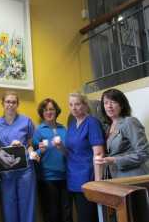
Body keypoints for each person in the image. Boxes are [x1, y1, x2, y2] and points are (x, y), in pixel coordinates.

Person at [0, 91, 38, 222]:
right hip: (6, 170)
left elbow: (30, 145)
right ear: (2, 104)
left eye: (13, 102)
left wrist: (30, 152)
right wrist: (2, 150)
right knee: (8, 206)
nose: (10, 105)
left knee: (27, 205)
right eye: (7, 102)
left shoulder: (26, 121)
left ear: (17, 104)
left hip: (25, 170)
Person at [65, 93, 105, 222]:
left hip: (88, 177)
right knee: (81, 216)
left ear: (85, 105)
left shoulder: (92, 123)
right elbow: (70, 152)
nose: (74, 108)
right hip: (73, 177)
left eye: (77, 104)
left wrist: (98, 183)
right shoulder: (71, 125)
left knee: (88, 217)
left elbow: (99, 154)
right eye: (71, 105)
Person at [32, 98, 72, 222]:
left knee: (66, 213)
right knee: (51, 214)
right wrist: (40, 151)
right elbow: (34, 155)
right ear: (42, 113)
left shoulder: (63, 129)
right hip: (47, 178)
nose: (49, 112)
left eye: (51, 109)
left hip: (65, 177)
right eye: (45, 110)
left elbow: (69, 151)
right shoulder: (38, 131)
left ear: (56, 111)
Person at [95, 88, 149, 178]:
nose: (109, 106)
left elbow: (144, 153)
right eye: (106, 103)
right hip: (117, 178)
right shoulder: (108, 127)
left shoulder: (129, 122)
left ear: (122, 105)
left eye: (113, 102)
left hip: (134, 178)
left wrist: (115, 160)